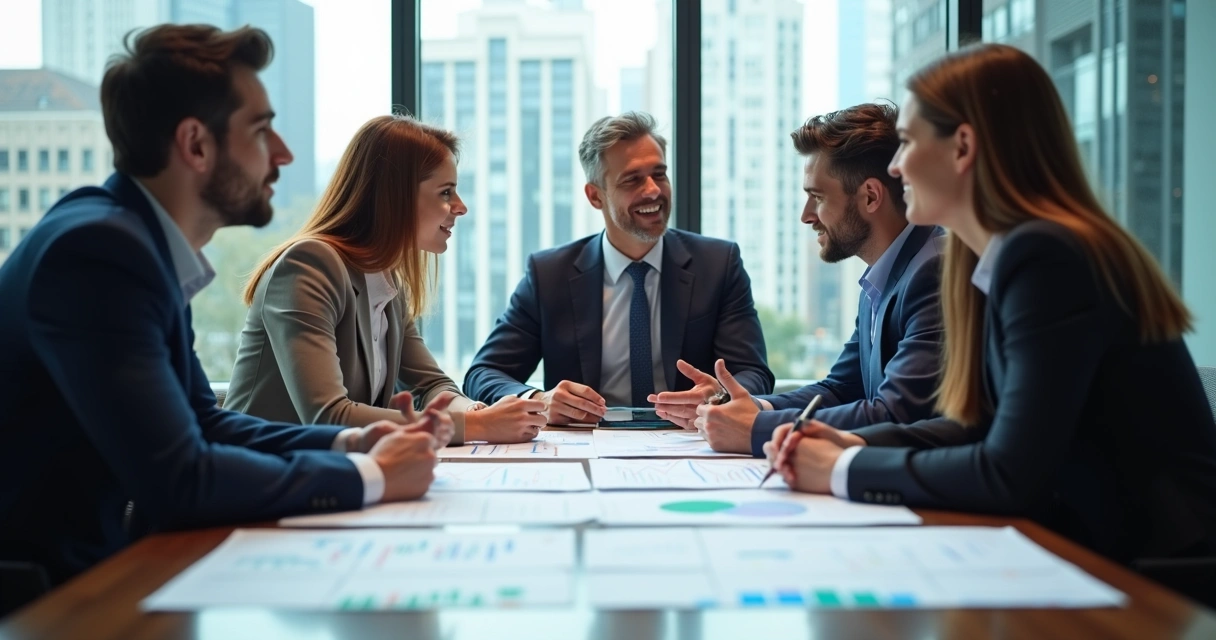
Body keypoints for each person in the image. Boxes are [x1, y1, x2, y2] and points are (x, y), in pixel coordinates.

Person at [0, 25, 445, 586]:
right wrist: (367, 476)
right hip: (44, 591)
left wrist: (350, 441)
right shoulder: (101, 253)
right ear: (196, 144)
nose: (282, 153)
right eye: (261, 130)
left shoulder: (135, 241)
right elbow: (180, 480)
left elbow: (202, 420)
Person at [767, 44, 1216, 579]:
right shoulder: (984, 261)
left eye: (907, 143)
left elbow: (1008, 471)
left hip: (1156, 573)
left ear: (962, 147)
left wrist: (844, 467)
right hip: (1087, 546)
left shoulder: (1048, 257)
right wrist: (852, 442)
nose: (894, 166)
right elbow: (975, 427)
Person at [224, 115, 545, 445]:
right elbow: (328, 416)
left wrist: (475, 412)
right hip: (258, 479)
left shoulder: (386, 282)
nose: (460, 207)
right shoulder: (308, 265)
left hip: (324, 474)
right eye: (446, 192)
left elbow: (431, 385)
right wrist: (477, 427)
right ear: (395, 196)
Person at [650, 104, 945, 456]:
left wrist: (756, 428)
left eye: (817, 197)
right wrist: (749, 408)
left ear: (870, 196)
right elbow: (841, 387)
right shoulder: (884, 275)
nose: (806, 216)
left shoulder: (932, 272)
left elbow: (896, 413)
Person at [462, 111, 774, 423]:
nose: (653, 190)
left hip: (691, 441)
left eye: (660, 174)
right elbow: (484, 373)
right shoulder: (549, 275)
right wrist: (539, 400)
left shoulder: (718, 264)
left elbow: (753, 372)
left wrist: (718, 396)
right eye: (632, 179)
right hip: (585, 449)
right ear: (595, 196)